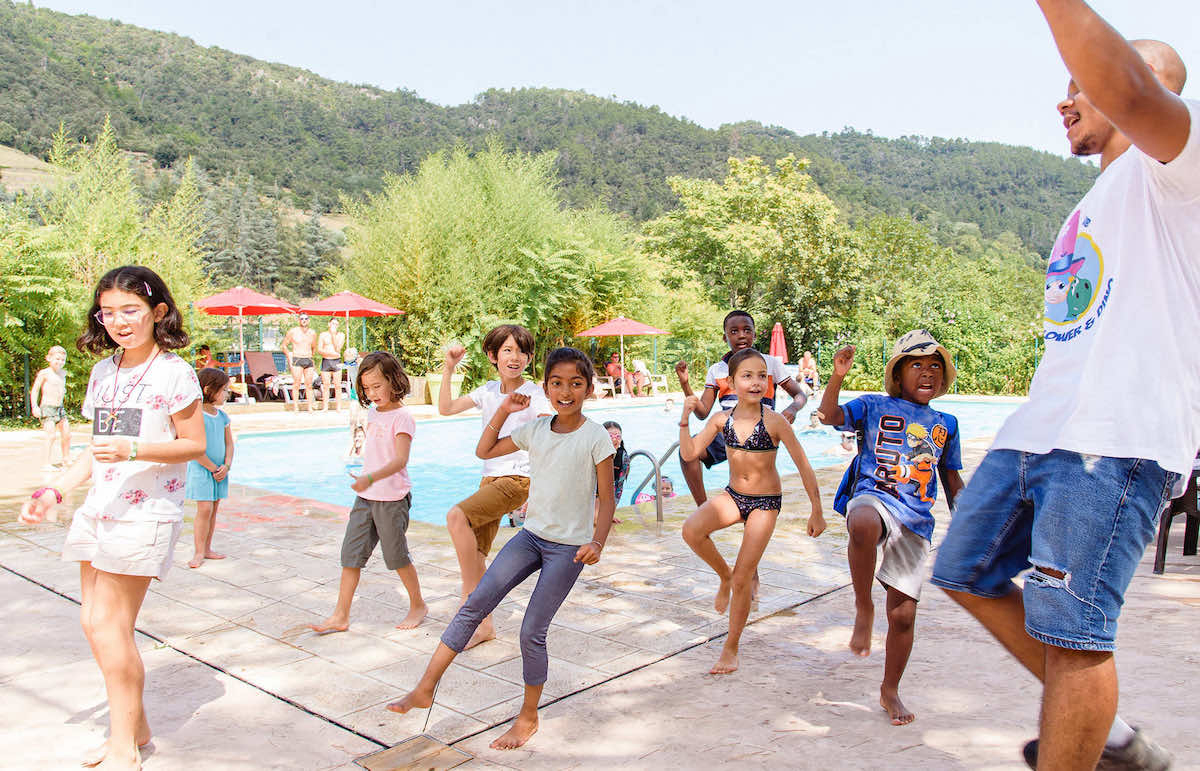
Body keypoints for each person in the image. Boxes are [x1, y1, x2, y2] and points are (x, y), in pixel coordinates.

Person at [930, 10, 1199, 769]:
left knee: (1076, 631)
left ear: (1135, 85)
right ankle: (1107, 735)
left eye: (1080, 84)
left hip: (1115, 439)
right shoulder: (1095, 200)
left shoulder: (1176, 169)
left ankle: (1089, 740)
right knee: (965, 571)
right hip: (1040, 430)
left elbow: (1132, 88)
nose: (1065, 98)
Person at [21, 265, 205, 771]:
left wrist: (135, 448)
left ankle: (123, 744)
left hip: (146, 514)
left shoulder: (174, 373)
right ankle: (137, 726)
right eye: (108, 312)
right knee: (92, 621)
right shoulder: (106, 372)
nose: (118, 321)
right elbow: (97, 450)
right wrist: (54, 490)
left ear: (157, 312)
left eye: (131, 311)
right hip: (99, 508)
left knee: (109, 625)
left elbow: (194, 444)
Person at [387, 347, 616, 751]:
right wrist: (505, 409)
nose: (566, 391)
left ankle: (528, 717)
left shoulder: (596, 436)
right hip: (530, 538)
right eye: (558, 383)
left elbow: (608, 497)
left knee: (532, 630)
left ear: (589, 388)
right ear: (546, 388)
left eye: (576, 384)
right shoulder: (537, 430)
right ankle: (425, 688)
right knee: (475, 603)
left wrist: (596, 541)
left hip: (567, 550)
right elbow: (485, 451)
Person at [818, 331, 963, 726]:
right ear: (898, 375)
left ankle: (890, 689)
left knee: (902, 616)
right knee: (862, 522)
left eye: (935, 366)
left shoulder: (946, 423)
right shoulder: (873, 405)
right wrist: (837, 377)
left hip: (915, 518)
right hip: (874, 497)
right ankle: (863, 605)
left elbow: (951, 481)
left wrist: (971, 525)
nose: (927, 372)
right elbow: (830, 417)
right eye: (917, 365)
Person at [679, 347, 825, 675]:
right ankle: (723, 574)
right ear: (731, 382)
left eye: (762, 376)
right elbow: (689, 453)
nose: (756, 382)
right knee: (691, 530)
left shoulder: (774, 421)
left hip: (764, 503)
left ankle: (730, 649)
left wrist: (816, 510)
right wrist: (685, 418)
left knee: (745, 577)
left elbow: (803, 465)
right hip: (734, 495)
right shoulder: (721, 420)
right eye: (747, 376)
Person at [436, 325, 551, 648]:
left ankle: (467, 608)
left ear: (529, 358)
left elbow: (546, 425)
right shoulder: (487, 391)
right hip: (490, 478)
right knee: (477, 553)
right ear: (493, 356)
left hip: (517, 479)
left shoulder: (535, 393)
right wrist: (448, 369)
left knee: (456, 517)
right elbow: (444, 408)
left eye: (522, 351)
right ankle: (483, 626)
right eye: (508, 350)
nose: (515, 357)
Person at [309, 352, 426, 633]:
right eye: (366, 388)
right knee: (351, 554)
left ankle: (418, 604)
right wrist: (365, 478)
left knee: (396, 556)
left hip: (392, 499)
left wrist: (369, 477)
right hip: (366, 497)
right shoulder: (373, 413)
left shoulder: (403, 417)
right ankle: (340, 616)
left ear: (393, 380)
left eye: (377, 386)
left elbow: (400, 460)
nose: (372, 393)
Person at [674, 310, 809, 504]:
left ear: (754, 334)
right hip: (728, 431)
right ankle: (702, 508)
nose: (742, 335)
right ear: (725, 337)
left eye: (747, 330)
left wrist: (792, 409)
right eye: (734, 331)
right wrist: (685, 384)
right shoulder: (717, 370)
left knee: (752, 487)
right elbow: (702, 413)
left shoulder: (770, 364)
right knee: (687, 453)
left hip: (761, 430)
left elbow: (800, 394)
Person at [185, 368, 235, 569]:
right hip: (202, 470)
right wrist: (213, 468)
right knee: (204, 509)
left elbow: (229, 443)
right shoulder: (196, 415)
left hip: (220, 472)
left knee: (213, 510)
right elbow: (194, 448)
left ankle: (207, 548)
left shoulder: (222, 416)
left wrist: (227, 466)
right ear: (208, 389)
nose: (226, 394)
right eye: (223, 390)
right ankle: (198, 551)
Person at [31, 345, 70, 469]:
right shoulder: (45, 373)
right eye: (57, 359)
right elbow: (35, 390)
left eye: (62, 360)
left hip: (60, 407)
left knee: (67, 434)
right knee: (51, 435)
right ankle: (46, 463)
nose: (60, 362)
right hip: (48, 407)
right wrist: (35, 406)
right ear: (49, 358)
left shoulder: (63, 373)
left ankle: (66, 459)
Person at [282, 312, 318, 411]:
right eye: (302, 319)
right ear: (299, 320)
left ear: (309, 320)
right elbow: (284, 345)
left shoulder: (312, 333)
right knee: (297, 383)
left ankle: (310, 407)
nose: (304, 320)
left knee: (309, 384)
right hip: (297, 358)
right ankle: (296, 407)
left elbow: (314, 346)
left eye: (306, 318)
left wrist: (310, 356)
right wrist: (289, 357)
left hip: (308, 358)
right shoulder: (293, 332)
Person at [317, 318, 346, 411]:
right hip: (326, 360)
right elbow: (319, 349)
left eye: (336, 324)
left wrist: (333, 335)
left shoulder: (341, 335)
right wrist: (329, 354)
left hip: (336, 361)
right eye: (333, 324)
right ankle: (325, 407)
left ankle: (338, 407)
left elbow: (338, 348)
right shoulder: (323, 335)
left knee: (337, 385)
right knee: (326, 385)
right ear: (329, 324)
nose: (334, 326)